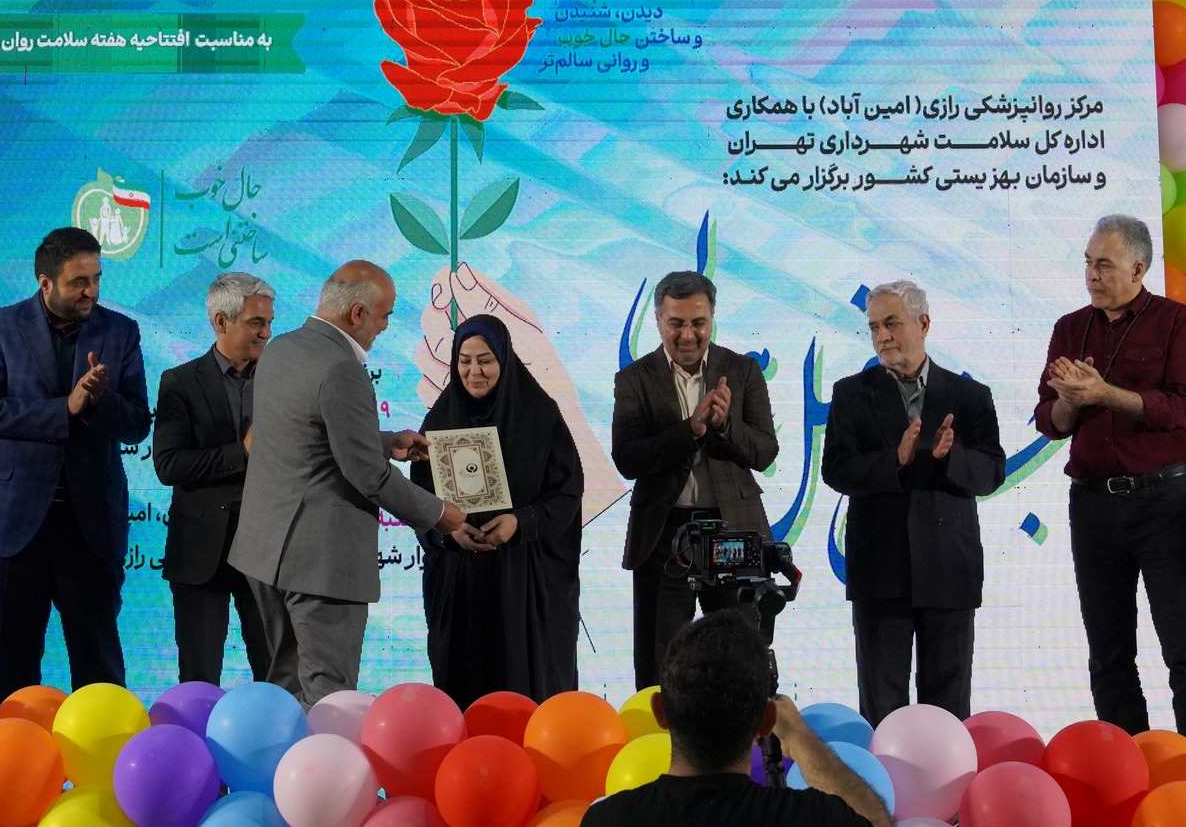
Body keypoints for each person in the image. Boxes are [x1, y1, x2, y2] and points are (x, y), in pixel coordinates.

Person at [228, 261, 474, 706]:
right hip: (320, 565)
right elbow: (368, 477)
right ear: (357, 314)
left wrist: (384, 441)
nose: (385, 327)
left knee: (286, 691)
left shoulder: (281, 348)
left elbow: (302, 434)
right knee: (329, 699)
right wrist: (441, 514)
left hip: (265, 553)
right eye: (385, 315)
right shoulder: (342, 368)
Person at [1035, 213, 1186, 750]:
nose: (1091, 275)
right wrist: (1071, 402)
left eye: (1104, 265)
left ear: (1138, 269)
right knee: (1108, 654)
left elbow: (1180, 410)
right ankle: (1128, 768)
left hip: (1163, 502)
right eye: (1088, 263)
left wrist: (1104, 394)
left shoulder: (1175, 322)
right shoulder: (1070, 328)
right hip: (1093, 505)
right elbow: (1050, 422)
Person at [0, 226, 150, 704]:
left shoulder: (120, 331)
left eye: (97, 278)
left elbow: (137, 424)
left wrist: (99, 400)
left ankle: (106, 751)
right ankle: (14, 752)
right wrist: (64, 409)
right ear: (45, 282)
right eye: (78, 282)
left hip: (90, 527)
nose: (91, 291)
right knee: (13, 667)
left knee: (99, 667)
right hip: (12, 526)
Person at [821, 280, 1004, 724]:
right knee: (881, 712)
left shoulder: (969, 396)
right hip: (880, 571)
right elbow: (836, 470)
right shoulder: (851, 393)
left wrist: (948, 458)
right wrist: (895, 460)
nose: (881, 336)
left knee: (948, 714)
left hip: (949, 569)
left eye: (891, 323)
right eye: (873, 327)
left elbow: (992, 472)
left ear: (923, 323)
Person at [612, 270, 778, 690]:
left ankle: (743, 733)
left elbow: (765, 452)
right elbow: (627, 458)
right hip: (665, 536)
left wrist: (725, 427)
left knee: (742, 663)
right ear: (658, 321)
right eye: (676, 323)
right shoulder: (634, 379)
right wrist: (691, 430)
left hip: (734, 531)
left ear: (712, 318)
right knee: (661, 665)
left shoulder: (742, 370)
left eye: (698, 323)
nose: (688, 335)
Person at [408, 313, 584, 707]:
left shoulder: (540, 416)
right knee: (465, 695)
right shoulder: (440, 420)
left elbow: (567, 494)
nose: (474, 372)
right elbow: (420, 501)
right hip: (463, 589)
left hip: (524, 586)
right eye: (464, 361)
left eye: (485, 360)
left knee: (526, 693)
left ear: (504, 358)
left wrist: (520, 522)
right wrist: (449, 531)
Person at [584, 609, 891, 827]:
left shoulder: (608, 820)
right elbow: (874, 821)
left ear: (660, 711)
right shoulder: (809, 817)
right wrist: (800, 737)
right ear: (767, 721)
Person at [152, 270, 275, 686]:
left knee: (276, 676)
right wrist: (241, 452)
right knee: (199, 680)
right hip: (199, 554)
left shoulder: (281, 380)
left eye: (269, 322)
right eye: (256, 323)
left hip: (267, 551)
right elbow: (169, 465)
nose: (266, 333)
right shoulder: (180, 382)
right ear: (221, 321)